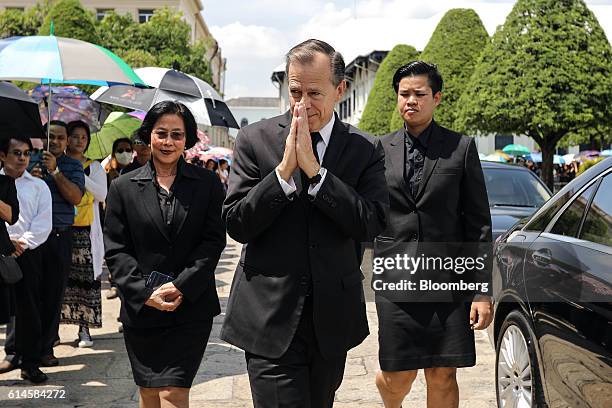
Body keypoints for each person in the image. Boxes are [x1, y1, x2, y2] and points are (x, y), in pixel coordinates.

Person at [221, 39, 389, 407]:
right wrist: (283, 173)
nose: (303, 103)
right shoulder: (256, 139)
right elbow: (237, 223)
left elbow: (371, 222)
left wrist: (316, 174)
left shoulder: (364, 148)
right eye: (295, 91)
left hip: (331, 319)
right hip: (269, 315)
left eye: (314, 92)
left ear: (339, 89)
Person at [373, 61, 493, 408]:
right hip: (396, 283)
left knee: (442, 374)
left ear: (436, 98)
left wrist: (482, 291)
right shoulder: (378, 149)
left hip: (449, 284)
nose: (411, 100)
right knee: (397, 377)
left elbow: (479, 225)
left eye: (419, 94)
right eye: (404, 94)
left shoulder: (461, 148)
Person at [104, 101, 226, 408]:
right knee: (148, 391)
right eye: (161, 133)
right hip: (142, 308)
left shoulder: (207, 184)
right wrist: (145, 293)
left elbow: (213, 243)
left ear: (187, 139)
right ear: (149, 136)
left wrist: (182, 285)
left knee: (173, 391)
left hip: (191, 305)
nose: (168, 141)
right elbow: (117, 249)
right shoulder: (123, 188)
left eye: (177, 134)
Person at [30, 120, 85, 367]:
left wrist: (55, 172)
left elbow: (75, 197)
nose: (56, 142)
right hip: (30, 237)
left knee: (53, 293)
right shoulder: (28, 160)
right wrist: (30, 179)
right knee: (29, 295)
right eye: (50, 136)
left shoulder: (72, 165)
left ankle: (46, 347)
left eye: (61, 138)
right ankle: (22, 349)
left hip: (59, 235)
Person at [0, 132, 52, 383]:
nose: (22, 159)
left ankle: (30, 362)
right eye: (16, 153)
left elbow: (44, 222)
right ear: (2, 155)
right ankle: (10, 354)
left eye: (26, 153)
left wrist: (22, 243)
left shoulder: (38, 186)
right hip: (0, 249)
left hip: (27, 252)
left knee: (28, 309)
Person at [60, 120, 108, 347]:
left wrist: (81, 174)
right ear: (66, 138)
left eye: (84, 138)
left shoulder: (94, 166)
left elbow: (101, 194)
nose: (79, 141)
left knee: (86, 281)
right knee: (59, 281)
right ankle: (53, 331)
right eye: (75, 136)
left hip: (86, 231)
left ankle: (84, 329)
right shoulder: (57, 164)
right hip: (61, 229)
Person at [104, 137, 132, 301]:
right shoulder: (107, 171)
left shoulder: (136, 171)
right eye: (120, 150)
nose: (124, 153)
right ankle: (114, 282)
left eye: (128, 150)